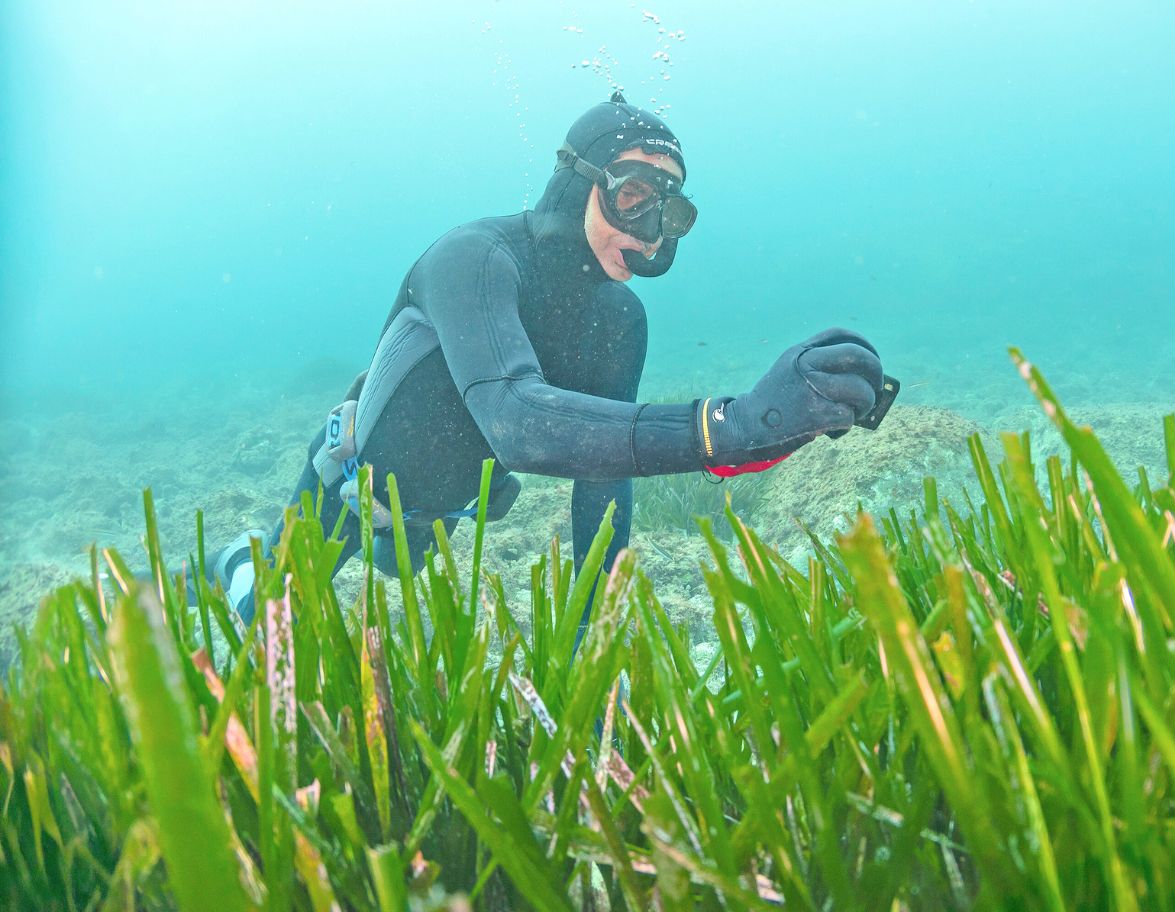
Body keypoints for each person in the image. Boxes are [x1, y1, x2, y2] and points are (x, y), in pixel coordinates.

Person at [208, 93, 884, 622]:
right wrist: (724, 428)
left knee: (399, 565)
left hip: (444, 516)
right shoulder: (474, 257)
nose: (648, 233)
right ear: (575, 181)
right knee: (272, 617)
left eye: (666, 212)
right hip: (350, 487)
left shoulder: (621, 321)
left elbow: (603, 483)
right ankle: (235, 559)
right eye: (632, 197)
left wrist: (594, 636)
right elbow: (518, 421)